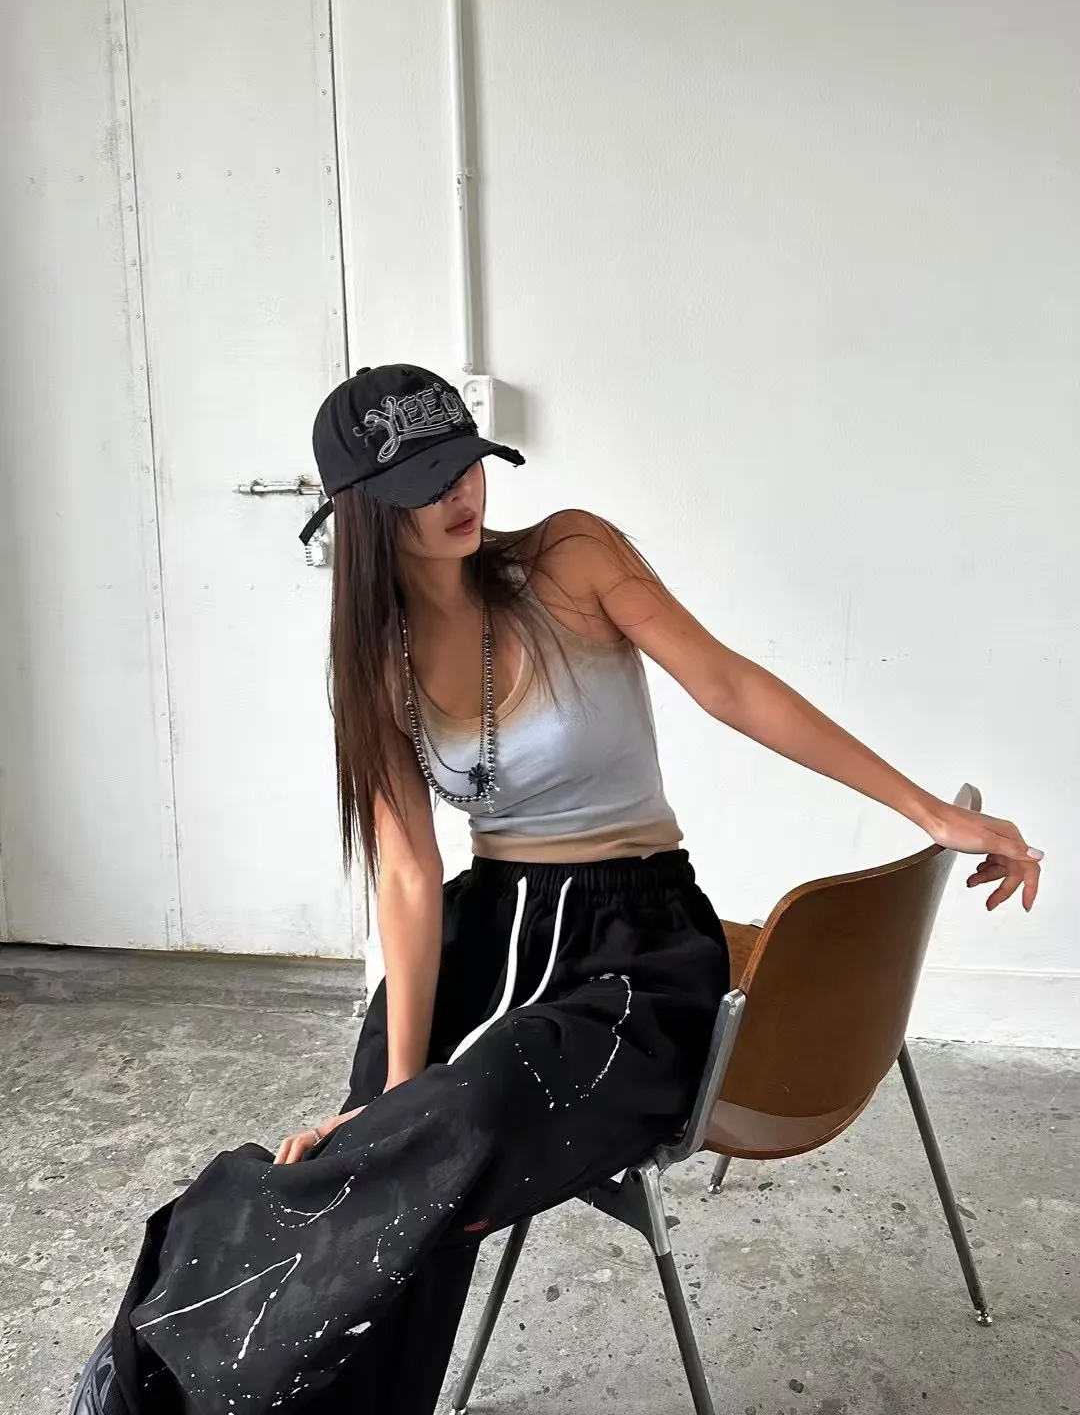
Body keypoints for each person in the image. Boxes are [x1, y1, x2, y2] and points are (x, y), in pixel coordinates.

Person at [72, 363, 1042, 1415]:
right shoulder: (374, 660)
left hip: (638, 944)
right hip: (487, 932)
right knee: (400, 1155)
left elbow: (729, 685)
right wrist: (395, 1089)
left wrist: (930, 813)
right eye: (425, 482)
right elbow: (408, 870)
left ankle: (169, 1321)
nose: (462, 493)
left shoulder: (571, 559)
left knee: (465, 1116)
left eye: (466, 463)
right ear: (363, 513)